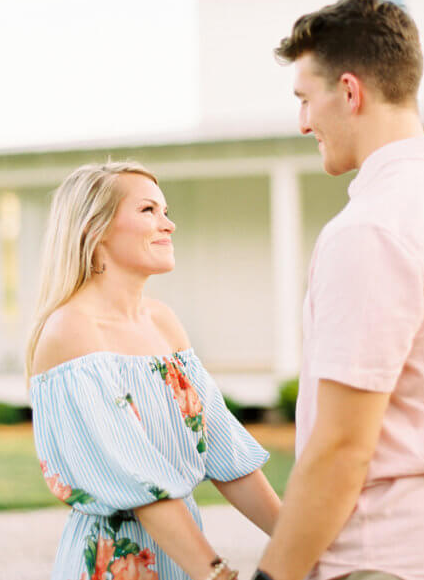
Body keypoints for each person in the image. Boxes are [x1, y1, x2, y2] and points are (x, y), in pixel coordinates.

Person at [252, 0, 424, 580]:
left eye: (304, 98)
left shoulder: (371, 227)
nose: (302, 122)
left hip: (385, 552)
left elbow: (343, 447)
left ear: (349, 91)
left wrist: (273, 576)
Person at [27, 161, 282, 580]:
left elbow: (224, 450)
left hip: (182, 558)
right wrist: (216, 574)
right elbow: (141, 482)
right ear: (96, 229)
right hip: (118, 564)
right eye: (148, 211)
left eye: (166, 211)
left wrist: (303, 547)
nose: (168, 225)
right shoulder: (71, 331)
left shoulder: (163, 322)